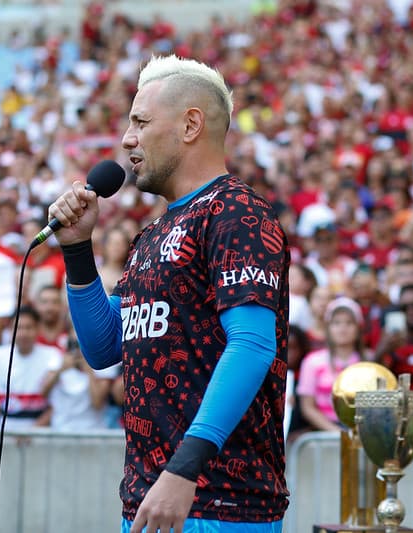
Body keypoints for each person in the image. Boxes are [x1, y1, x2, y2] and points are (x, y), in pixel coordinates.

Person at [47, 55, 289, 532]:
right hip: (149, 501)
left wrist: (184, 468)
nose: (126, 138)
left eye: (140, 121)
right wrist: (77, 252)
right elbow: (102, 347)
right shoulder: (153, 233)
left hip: (221, 502)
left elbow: (253, 344)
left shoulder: (236, 213)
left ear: (191, 125)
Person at [296, 297, 366, 431]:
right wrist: (336, 432)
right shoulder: (312, 361)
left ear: (358, 328)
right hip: (325, 436)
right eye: (336, 322)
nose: (343, 328)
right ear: (328, 328)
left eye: (349, 322)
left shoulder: (368, 362)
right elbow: (307, 407)